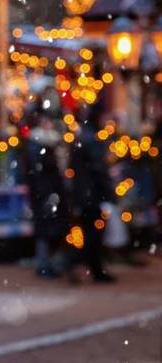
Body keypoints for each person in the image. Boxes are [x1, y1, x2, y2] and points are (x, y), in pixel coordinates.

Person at [70, 101, 116, 283]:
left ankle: (95, 269)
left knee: (91, 232)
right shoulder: (93, 139)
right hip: (92, 195)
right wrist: (109, 194)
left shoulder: (82, 136)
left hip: (83, 194)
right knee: (93, 234)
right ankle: (75, 262)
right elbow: (99, 170)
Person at [23, 116, 72, 279]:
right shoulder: (41, 146)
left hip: (45, 194)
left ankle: (47, 264)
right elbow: (41, 173)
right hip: (45, 195)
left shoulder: (41, 145)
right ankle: (45, 265)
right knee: (47, 230)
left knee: (48, 230)